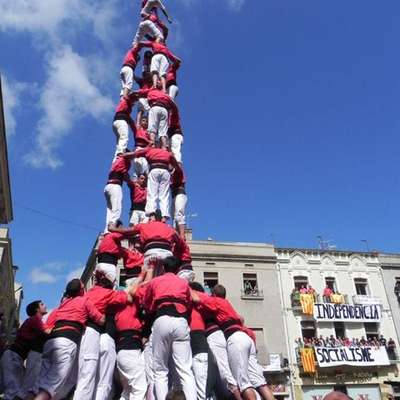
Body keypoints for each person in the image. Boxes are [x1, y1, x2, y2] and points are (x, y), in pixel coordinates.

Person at [34, 279, 105, 400]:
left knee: (40, 383)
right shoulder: (85, 301)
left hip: (51, 341)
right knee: (51, 384)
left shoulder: (64, 303)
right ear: (81, 290)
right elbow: (101, 320)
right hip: (66, 342)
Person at [72, 271, 138, 400]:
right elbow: (129, 297)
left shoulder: (89, 293)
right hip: (104, 338)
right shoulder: (109, 294)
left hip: (86, 335)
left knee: (87, 376)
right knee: (104, 381)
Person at [143, 257, 197, 400]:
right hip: (181, 321)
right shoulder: (184, 283)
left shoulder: (155, 282)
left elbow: (146, 303)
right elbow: (189, 303)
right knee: (185, 369)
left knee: (160, 370)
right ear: (178, 269)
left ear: (164, 268)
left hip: (162, 319)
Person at [192, 285, 258, 400]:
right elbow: (240, 318)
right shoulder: (225, 304)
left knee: (228, 375)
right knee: (238, 377)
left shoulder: (211, 300)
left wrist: (185, 287)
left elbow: (196, 298)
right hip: (231, 337)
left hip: (218, 337)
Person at [1, 301, 48, 400]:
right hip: (13, 356)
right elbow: (46, 332)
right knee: (12, 390)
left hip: (15, 357)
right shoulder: (35, 320)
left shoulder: (33, 320)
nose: (45, 305)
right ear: (37, 309)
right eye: (42, 304)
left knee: (15, 389)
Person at [109, 209, 184, 268]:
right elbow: (180, 242)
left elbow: (128, 231)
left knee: (148, 279)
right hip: (167, 255)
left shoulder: (143, 226)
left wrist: (113, 229)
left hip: (151, 254)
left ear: (153, 219)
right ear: (161, 219)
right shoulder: (170, 228)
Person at [113, 275, 147, 400]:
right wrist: (144, 273)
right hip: (129, 349)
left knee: (127, 391)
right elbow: (135, 289)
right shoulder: (128, 302)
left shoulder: (121, 308)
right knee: (140, 388)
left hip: (124, 350)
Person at [122, 147, 180, 219]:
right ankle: (164, 217)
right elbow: (176, 165)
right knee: (164, 195)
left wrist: (123, 155)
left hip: (154, 170)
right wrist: (178, 171)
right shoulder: (167, 153)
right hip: (165, 171)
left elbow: (135, 154)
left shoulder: (149, 150)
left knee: (152, 194)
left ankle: (152, 215)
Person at [104, 154, 131, 232]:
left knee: (110, 210)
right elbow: (125, 174)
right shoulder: (122, 161)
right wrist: (131, 182)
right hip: (115, 186)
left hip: (108, 187)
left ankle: (107, 230)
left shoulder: (116, 161)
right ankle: (113, 226)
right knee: (117, 208)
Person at [171, 165, 187, 238]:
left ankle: (182, 235)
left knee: (179, 214)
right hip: (173, 195)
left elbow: (178, 168)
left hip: (180, 193)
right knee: (174, 218)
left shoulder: (177, 170)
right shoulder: (169, 173)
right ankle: (176, 235)